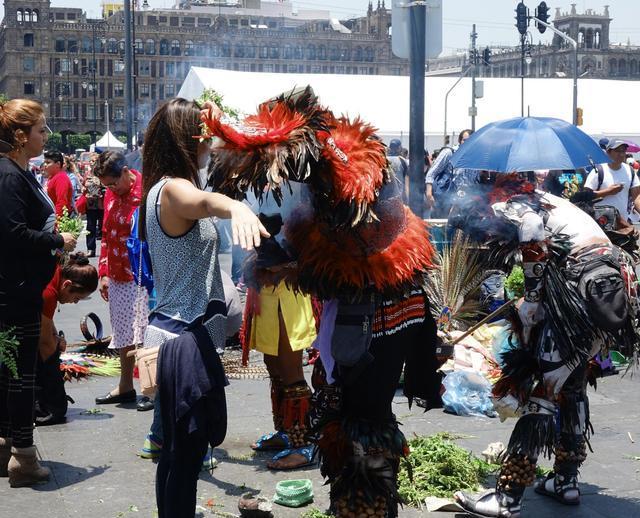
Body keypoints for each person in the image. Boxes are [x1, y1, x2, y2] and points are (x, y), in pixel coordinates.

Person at [201, 86, 441, 518]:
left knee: (363, 423)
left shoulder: (347, 171)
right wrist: (279, 249)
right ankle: (355, 505)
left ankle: (363, 508)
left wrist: (291, 262)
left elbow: (342, 249)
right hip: (367, 309)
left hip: (378, 310)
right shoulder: (323, 170)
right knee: (345, 413)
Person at [453, 174, 636, 518]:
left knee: (546, 390)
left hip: (582, 292)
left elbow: (533, 230)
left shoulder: (517, 205)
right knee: (574, 384)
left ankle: (508, 497)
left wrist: (533, 299)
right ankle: (565, 481)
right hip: (609, 290)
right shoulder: (553, 201)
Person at [138, 98, 267, 518]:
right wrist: (236, 207)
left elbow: (210, 195)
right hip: (182, 342)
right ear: (185, 138)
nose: (208, 141)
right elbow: (208, 203)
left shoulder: (166, 186)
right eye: (203, 133)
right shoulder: (174, 189)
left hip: (180, 337)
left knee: (177, 455)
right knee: (185, 458)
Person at [0, 99, 77, 487]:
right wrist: (55, 239)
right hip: (16, 290)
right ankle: (23, 457)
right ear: (20, 135)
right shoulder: (10, 176)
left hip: (19, 287)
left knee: (10, 370)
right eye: (41, 130)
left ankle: (6, 446)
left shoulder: (19, 172)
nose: (46, 136)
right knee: (20, 375)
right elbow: (11, 234)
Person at [93, 151, 148, 406]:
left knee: (145, 332)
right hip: (117, 275)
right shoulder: (110, 195)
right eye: (106, 186)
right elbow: (105, 232)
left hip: (142, 274)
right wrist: (103, 272)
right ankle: (125, 386)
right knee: (124, 332)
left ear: (126, 171)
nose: (111, 189)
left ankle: (151, 388)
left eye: (113, 183)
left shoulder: (146, 192)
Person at [35, 253, 98, 426]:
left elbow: (45, 321)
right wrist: (56, 398)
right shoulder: (49, 293)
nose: (75, 302)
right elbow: (45, 344)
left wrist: (55, 337)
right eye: (76, 298)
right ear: (67, 284)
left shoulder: (56, 275)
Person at [584, 139, 640, 223]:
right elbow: (585, 196)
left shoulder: (630, 171)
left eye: (623, 151)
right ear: (608, 152)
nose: (621, 154)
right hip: (601, 223)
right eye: (617, 151)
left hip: (623, 224)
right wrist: (608, 192)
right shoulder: (598, 170)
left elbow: (636, 197)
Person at [425, 129, 475, 217]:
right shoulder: (449, 153)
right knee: (439, 226)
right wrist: (429, 194)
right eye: (465, 140)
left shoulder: (474, 158)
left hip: (462, 203)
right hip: (444, 200)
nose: (467, 143)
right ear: (460, 141)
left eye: (470, 141)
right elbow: (431, 173)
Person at [43, 150, 74, 217]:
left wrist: (56, 222)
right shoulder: (52, 177)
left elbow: (62, 202)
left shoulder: (61, 178)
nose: (45, 165)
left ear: (58, 164)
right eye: (45, 162)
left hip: (58, 221)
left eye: (48, 162)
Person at [82, 167, 105, 257]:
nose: (92, 163)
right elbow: (83, 187)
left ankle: (106, 249)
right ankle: (91, 249)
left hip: (101, 204)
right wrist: (85, 191)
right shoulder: (88, 175)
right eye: (91, 161)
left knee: (103, 227)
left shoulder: (103, 174)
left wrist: (101, 192)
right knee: (90, 228)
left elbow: (108, 187)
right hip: (91, 205)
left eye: (94, 161)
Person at [387, 139, 409, 203]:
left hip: (384, 197)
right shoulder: (402, 160)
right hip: (398, 197)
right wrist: (407, 199)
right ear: (399, 148)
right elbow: (406, 180)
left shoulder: (383, 159)